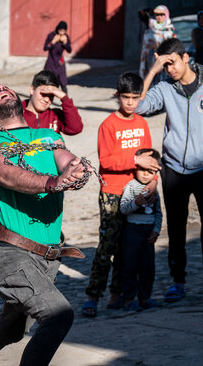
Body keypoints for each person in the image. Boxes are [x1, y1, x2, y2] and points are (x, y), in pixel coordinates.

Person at [0, 82, 91, 366]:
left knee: (11, 329)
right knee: (58, 316)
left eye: (4, 86)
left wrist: (76, 169)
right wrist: (51, 182)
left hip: (48, 258)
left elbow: (64, 160)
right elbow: (1, 173)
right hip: (10, 255)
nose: (1, 88)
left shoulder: (46, 135)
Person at [136, 38, 203, 303]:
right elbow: (138, 107)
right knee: (177, 227)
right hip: (173, 170)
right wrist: (152, 71)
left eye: (172, 63)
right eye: (165, 65)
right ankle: (177, 282)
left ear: (185, 57)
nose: (170, 70)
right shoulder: (165, 86)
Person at [81, 72, 160, 318]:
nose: (130, 103)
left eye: (135, 98)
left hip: (138, 192)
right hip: (113, 194)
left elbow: (151, 159)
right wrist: (135, 159)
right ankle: (92, 297)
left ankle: (118, 296)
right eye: (125, 97)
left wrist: (153, 182)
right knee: (107, 246)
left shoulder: (142, 124)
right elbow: (106, 161)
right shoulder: (109, 125)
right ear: (117, 96)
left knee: (128, 250)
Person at [119, 148, 163, 311]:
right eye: (142, 170)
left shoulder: (153, 190)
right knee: (130, 266)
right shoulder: (131, 187)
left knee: (147, 267)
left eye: (150, 172)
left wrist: (156, 230)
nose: (145, 174)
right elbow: (123, 208)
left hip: (148, 232)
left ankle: (145, 297)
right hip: (132, 231)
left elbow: (158, 212)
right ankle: (129, 299)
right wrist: (135, 204)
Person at [22, 70, 83, 135]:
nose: (47, 99)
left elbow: (75, 129)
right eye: (43, 94)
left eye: (51, 96)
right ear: (32, 90)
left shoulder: (54, 115)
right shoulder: (16, 114)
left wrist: (64, 98)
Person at [139, 5, 175, 79]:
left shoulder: (169, 29)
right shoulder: (150, 28)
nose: (159, 17)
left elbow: (171, 46)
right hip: (150, 60)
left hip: (163, 60)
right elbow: (141, 14)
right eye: (157, 14)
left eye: (162, 14)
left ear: (166, 15)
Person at [44, 21, 72, 93]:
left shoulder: (65, 37)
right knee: (49, 82)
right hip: (51, 61)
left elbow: (69, 50)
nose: (61, 32)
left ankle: (65, 101)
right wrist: (53, 41)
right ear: (57, 29)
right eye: (60, 30)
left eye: (63, 31)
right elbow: (45, 48)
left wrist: (65, 43)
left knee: (63, 82)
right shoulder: (51, 35)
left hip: (60, 62)